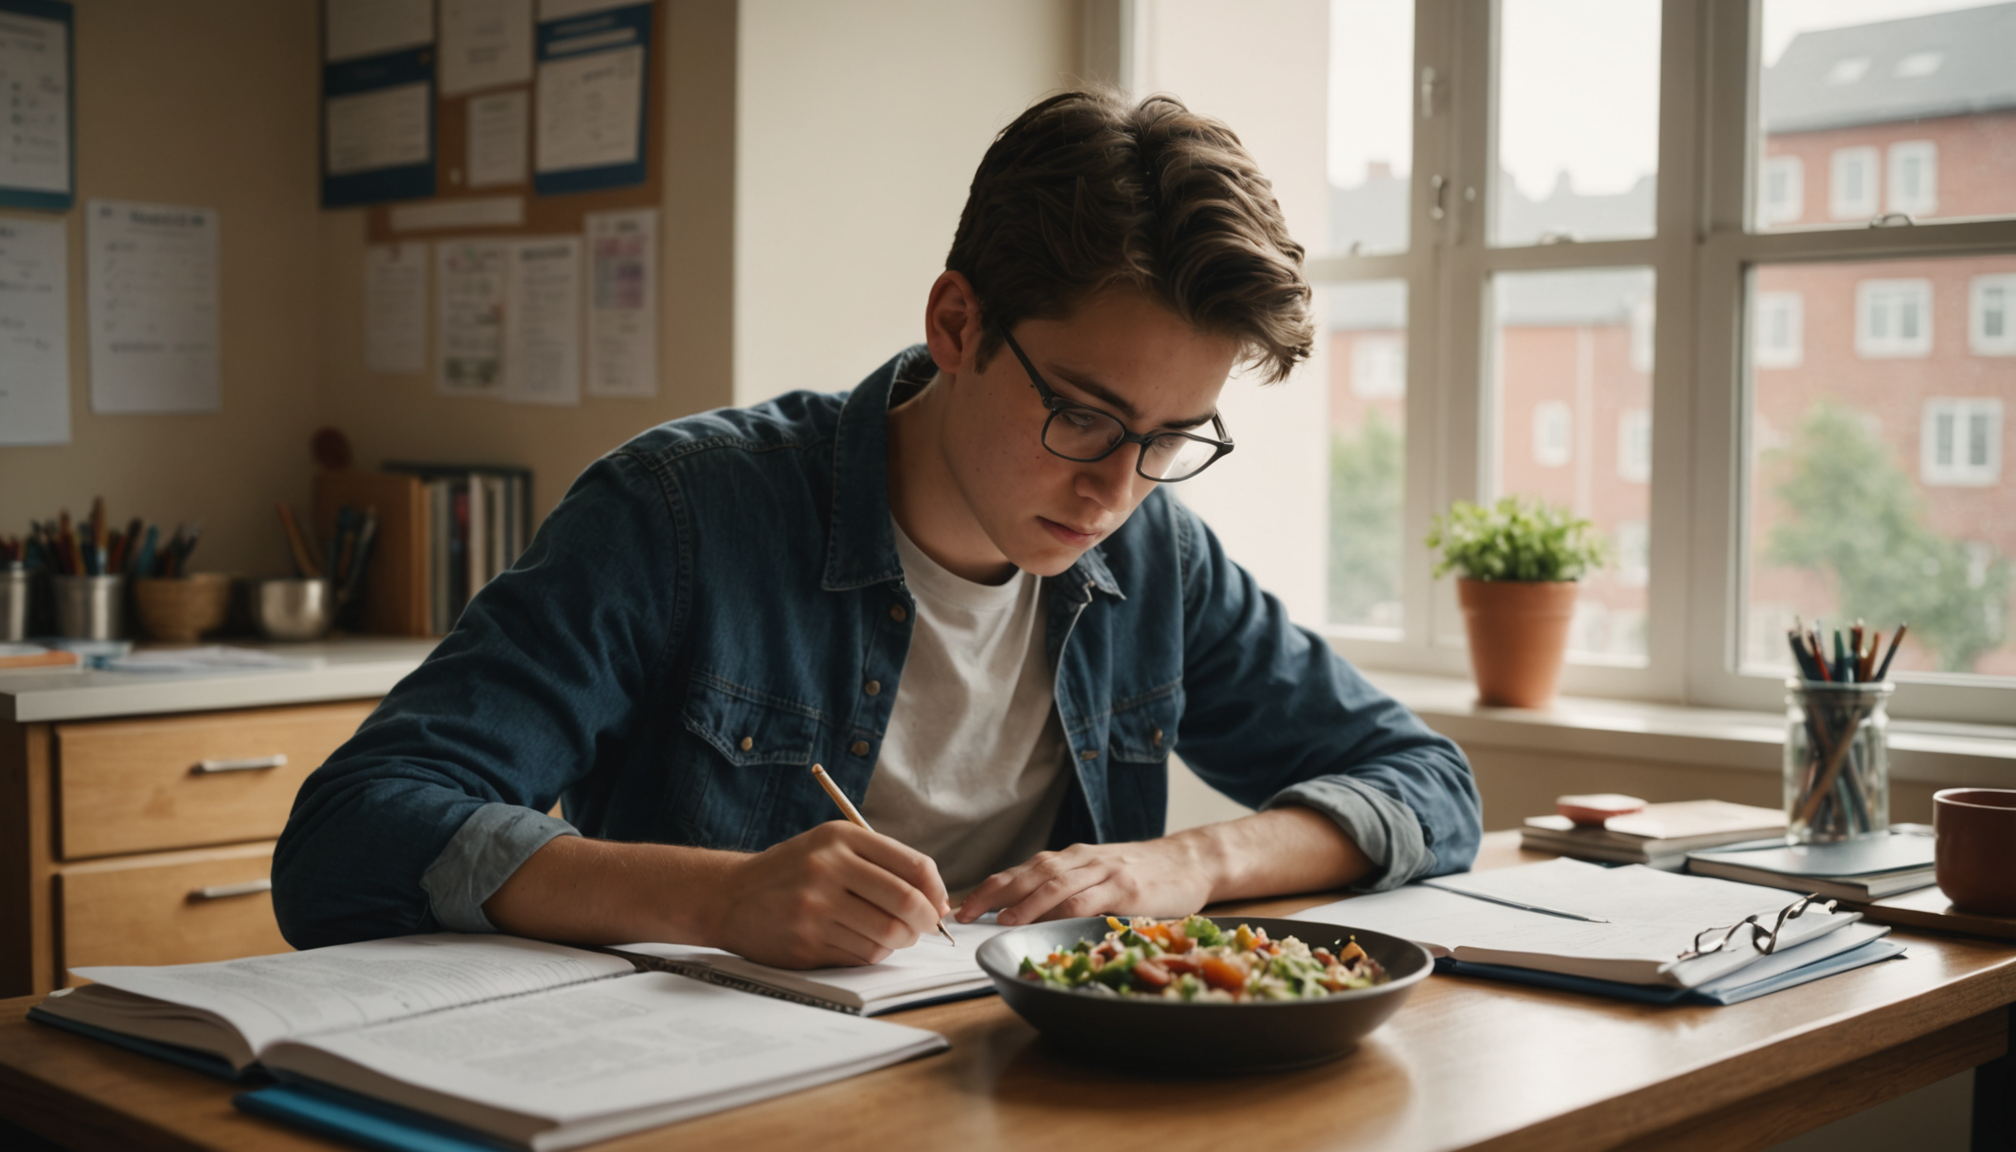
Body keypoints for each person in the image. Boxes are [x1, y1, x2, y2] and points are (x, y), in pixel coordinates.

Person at [273, 89, 1481, 970]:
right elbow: (349, 834)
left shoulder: (1155, 557)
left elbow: (1431, 787)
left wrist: (1191, 865)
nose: (1118, 488)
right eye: (1082, 415)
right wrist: (722, 900)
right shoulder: (681, 515)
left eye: (1172, 438)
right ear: (956, 323)